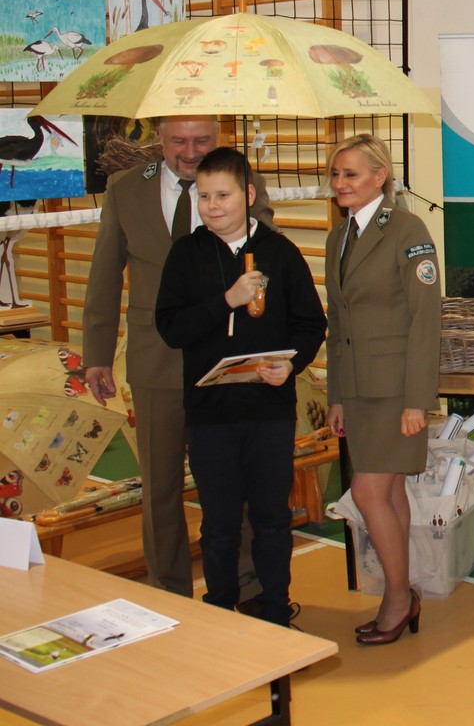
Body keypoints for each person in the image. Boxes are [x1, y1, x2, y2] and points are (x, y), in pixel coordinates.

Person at [82, 116, 276, 599]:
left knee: (234, 480)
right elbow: (104, 274)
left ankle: (247, 586)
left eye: (202, 141)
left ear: (218, 139)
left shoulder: (243, 182)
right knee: (160, 487)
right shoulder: (125, 188)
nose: (190, 152)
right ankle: (167, 592)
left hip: (228, 359)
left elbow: (267, 260)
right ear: (160, 141)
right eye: (178, 142)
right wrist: (97, 355)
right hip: (156, 359)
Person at [155, 147, 327, 626]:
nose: (212, 206)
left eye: (223, 195)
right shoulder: (186, 254)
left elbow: (310, 325)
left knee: (272, 519)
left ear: (248, 195)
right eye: (204, 196)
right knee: (219, 523)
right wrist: (227, 300)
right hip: (210, 414)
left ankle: (275, 611)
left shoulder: (280, 252)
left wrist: (290, 366)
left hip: (269, 411)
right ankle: (219, 613)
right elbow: (171, 328)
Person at [324, 134, 441, 646]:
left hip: (396, 390)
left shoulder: (406, 229)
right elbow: (338, 323)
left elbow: (425, 318)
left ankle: (397, 597)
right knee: (388, 492)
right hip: (358, 389)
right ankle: (404, 592)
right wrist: (336, 395)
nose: (340, 183)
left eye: (351, 174)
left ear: (380, 176)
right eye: (335, 174)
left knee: (368, 492)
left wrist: (418, 399)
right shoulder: (339, 236)